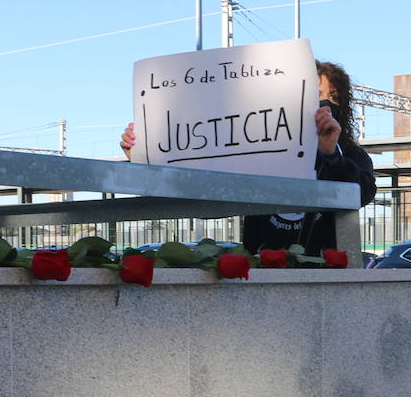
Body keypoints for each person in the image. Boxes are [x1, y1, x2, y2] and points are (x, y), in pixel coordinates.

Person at [118, 59, 377, 255]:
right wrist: (146, 154)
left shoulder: (351, 154)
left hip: (323, 279)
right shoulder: (257, 147)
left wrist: (331, 154)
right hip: (261, 273)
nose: (325, 105)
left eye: (334, 98)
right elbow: (204, 180)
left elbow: (363, 193)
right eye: (316, 95)